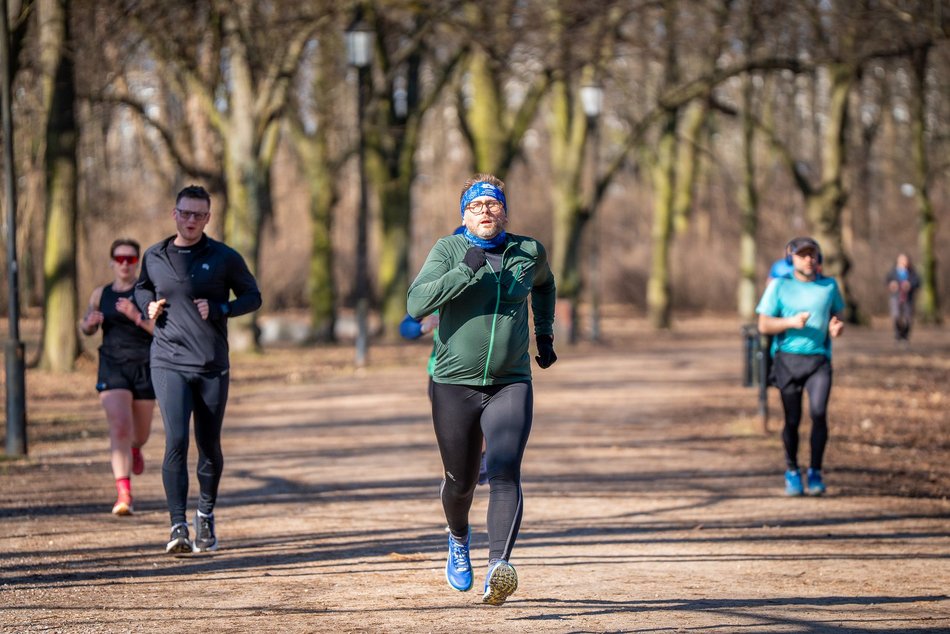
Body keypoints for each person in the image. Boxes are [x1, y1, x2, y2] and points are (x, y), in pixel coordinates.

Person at [407, 174, 557, 606]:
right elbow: (417, 304)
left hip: (511, 382)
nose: (485, 212)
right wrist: (464, 269)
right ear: (464, 216)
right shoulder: (448, 249)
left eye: (492, 205)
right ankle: (458, 538)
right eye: (476, 207)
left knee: (506, 470)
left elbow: (546, 285)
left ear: (504, 211)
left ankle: (498, 566)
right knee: (462, 482)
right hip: (454, 385)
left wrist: (543, 336)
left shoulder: (528, 251)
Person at [135, 184, 262, 555]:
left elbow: (253, 297)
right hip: (167, 360)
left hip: (210, 364)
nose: (190, 220)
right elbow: (142, 288)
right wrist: (148, 306)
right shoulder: (155, 254)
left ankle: (205, 514)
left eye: (198, 215)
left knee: (208, 445)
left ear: (208, 218)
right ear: (174, 213)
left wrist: (221, 309)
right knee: (176, 440)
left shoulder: (223, 257)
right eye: (185, 213)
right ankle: (177, 525)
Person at [756, 236, 844, 497]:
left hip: (819, 360)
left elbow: (838, 314)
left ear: (819, 258)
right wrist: (790, 323)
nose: (808, 259)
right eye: (802, 255)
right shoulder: (779, 287)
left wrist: (836, 327)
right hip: (787, 360)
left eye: (812, 254)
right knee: (792, 420)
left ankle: (815, 471)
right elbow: (763, 324)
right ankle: (792, 470)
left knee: (818, 413)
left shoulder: (829, 286)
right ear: (790, 259)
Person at [79, 239, 156, 516]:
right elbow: (85, 325)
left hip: (145, 366)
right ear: (112, 261)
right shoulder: (101, 293)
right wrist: (87, 326)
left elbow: (160, 331)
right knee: (120, 426)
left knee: (141, 434)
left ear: (137, 263)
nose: (124, 264)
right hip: (112, 365)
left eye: (131, 259)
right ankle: (124, 492)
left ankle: (135, 448)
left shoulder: (147, 292)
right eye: (120, 258)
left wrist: (136, 316)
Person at [886, 253, 920, 342]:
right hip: (895, 297)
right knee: (896, 316)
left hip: (908, 298)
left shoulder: (912, 272)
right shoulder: (893, 271)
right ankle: (898, 335)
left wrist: (910, 285)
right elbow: (887, 280)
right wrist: (891, 285)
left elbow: (917, 282)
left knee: (907, 318)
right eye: (902, 260)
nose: (903, 262)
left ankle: (905, 336)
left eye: (905, 260)